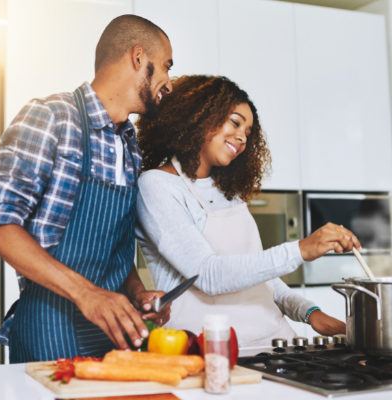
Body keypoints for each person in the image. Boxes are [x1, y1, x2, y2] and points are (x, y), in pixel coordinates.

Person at [0, 15, 174, 363]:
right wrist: (88, 295)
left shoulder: (130, 146)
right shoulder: (52, 117)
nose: (169, 83)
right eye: (166, 67)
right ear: (139, 57)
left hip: (113, 337)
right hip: (48, 333)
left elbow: (112, 245)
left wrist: (137, 292)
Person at [134, 75, 360, 347]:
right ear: (199, 115)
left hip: (275, 341)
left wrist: (309, 312)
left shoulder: (228, 190)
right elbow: (208, 275)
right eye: (235, 122)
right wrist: (300, 249)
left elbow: (258, 276)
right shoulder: (156, 186)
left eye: (248, 132)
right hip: (208, 348)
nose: (241, 137)